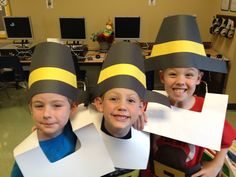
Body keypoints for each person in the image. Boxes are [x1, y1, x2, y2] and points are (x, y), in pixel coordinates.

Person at [142, 15, 236, 177]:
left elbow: (227, 139)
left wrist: (217, 163)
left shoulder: (208, 110)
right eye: (173, 74)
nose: (180, 81)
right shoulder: (151, 104)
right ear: (162, 76)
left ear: (199, 78)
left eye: (189, 75)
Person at [11, 42, 114, 177]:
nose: (47, 114)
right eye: (39, 106)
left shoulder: (78, 128)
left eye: (57, 105)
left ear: (73, 108)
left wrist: (139, 116)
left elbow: (115, 115)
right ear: (30, 108)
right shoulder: (26, 154)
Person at [74, 41, 170, 177]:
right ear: (99, 104)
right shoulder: (79, 127)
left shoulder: (149, 133)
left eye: (130, 100)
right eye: (113, 99)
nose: (122, 107)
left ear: (141, 107)